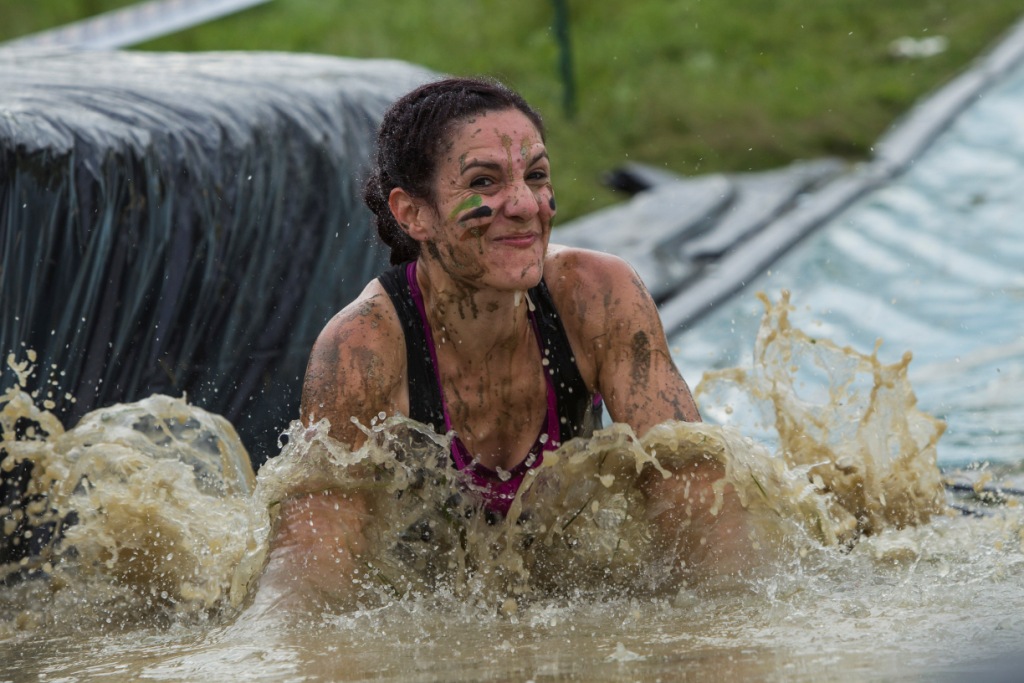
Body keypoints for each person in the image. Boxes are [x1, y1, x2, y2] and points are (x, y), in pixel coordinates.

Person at [255, 77, 749, 608]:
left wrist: (721, 637)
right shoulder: (362, 349)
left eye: (536, 176)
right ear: (412, 213)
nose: (525, 204)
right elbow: (308, 578)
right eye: (485, 182)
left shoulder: (599, 297)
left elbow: (699, 495)